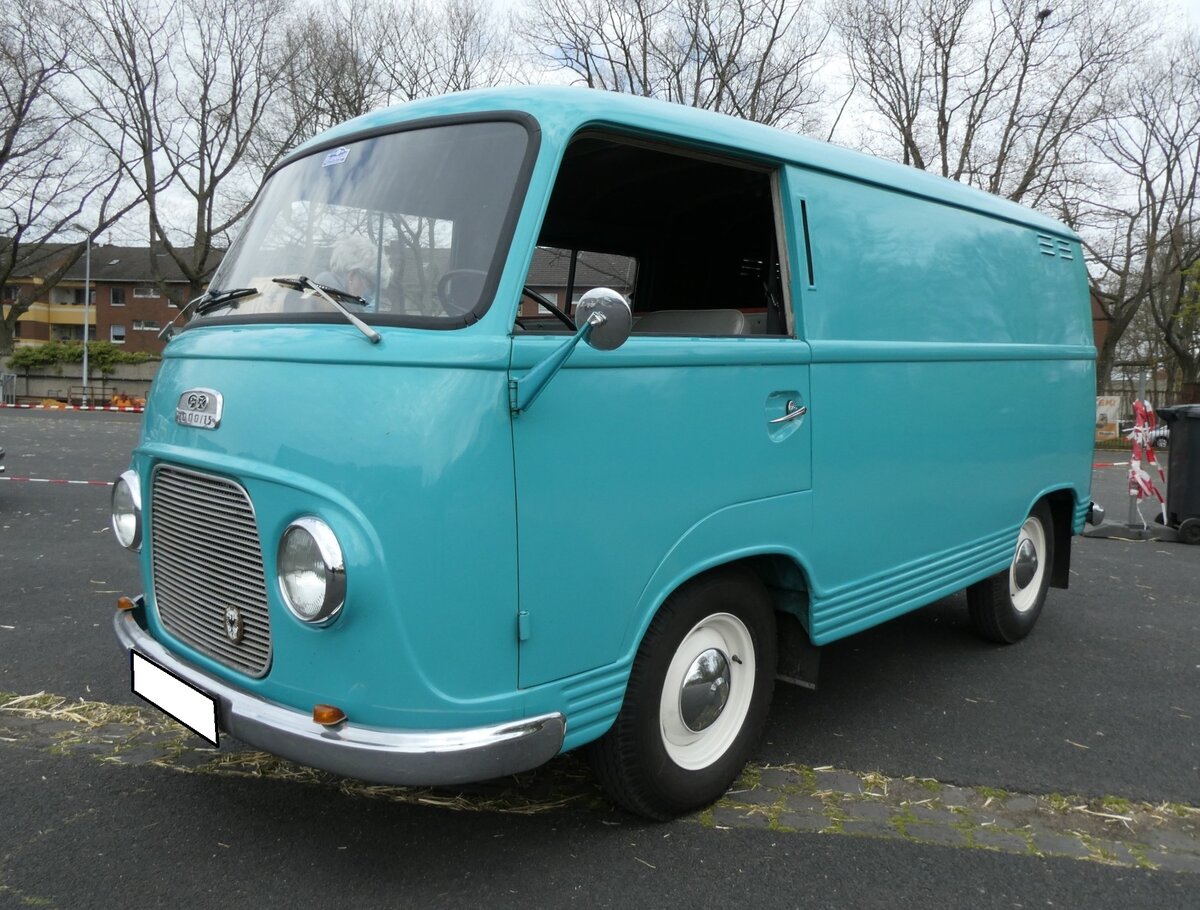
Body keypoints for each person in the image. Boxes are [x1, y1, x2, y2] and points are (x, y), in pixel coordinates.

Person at [314, 235, 393, 312]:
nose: (372, 296)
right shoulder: (339, 311)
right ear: (352, 277)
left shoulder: (316, 293)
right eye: (371, 287)